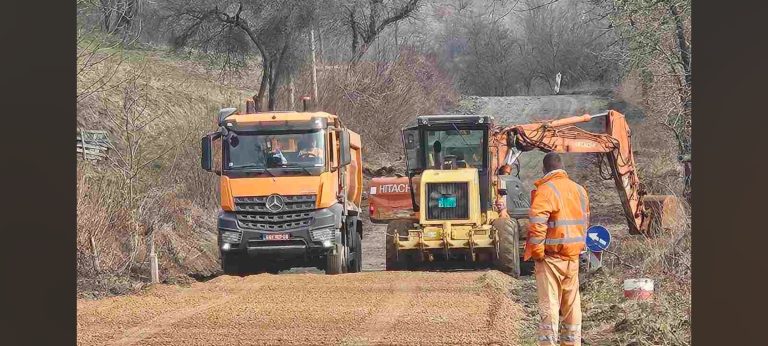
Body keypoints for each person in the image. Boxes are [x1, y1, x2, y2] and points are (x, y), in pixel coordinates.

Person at [524, 152, 590, 346]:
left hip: (551, 259)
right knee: (571, 306)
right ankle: (572, 342)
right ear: (562, 167)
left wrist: (537, 253)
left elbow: (537, 224)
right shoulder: (579, 190)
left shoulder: (546, 190)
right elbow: (585, 222)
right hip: (573, 257)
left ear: (545, 169)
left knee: (549, 305)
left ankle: (548, 343)